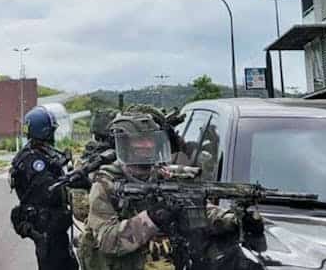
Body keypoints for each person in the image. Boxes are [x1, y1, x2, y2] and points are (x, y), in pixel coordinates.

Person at [78, 112, 264, 270]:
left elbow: (201, 212)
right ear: (125, 144)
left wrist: (236, 220)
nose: (147, 146)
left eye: (150, 140)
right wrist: (152, 218)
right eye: (140, 141)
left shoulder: (166, 176)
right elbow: (108, 241)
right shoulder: (106, 184)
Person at [10, 106, 83, 270]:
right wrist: (72, 181)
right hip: (47, 229)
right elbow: (49, 191)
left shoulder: (37, 154)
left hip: (53, 228)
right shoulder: (34, 160)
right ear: (44, 133)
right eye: (51, 132)